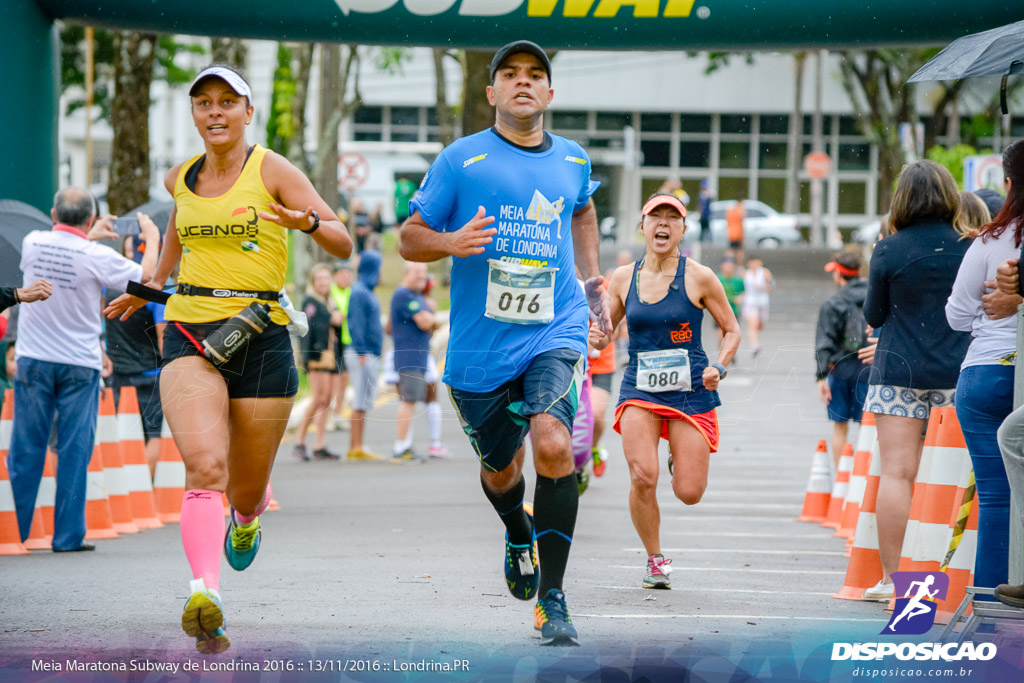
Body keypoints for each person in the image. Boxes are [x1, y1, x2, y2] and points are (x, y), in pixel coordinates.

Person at [104, 64, 351, 653]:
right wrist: (149, 287)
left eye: (226, 103)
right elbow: (179, 235)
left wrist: (307, 223)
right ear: (194, 115)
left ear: (247, 112)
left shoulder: (272, 169)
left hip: (261, 334)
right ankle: (204, 593)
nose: (214, 113)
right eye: (203, 103)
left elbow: (342, 239)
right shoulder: (179, 178)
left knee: (243, 490)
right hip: (190, 330)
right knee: (205, 470)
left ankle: (245, 519)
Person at [397, 39, 610, 646]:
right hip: (479, 348)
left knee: (552, 443)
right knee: (499, 469)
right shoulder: (460, 161)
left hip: (555, 327)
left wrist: (592, 283)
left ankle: (554, 598)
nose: (523, 83)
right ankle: (519, 528)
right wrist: (451, 241)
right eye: (510, 75)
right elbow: (410, 237)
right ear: (491, 93)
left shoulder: (571, 160)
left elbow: (584, 211)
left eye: (535, 75)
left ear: (549, 92)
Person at [592, 192, 740, 590]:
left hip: (690, 388)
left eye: (671, 218)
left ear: (683, 229)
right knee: (643, 474)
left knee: (689, 492)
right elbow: (604, 336)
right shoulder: (623, 278)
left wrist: (719, 366)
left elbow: (731, 329)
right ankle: (655, 559)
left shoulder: (700, 276)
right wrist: (595, 335)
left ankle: (679, 453)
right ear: (642, 227)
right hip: (640, 386)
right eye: (654, 216)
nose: (663, 224)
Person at [9, 187, 159, 555]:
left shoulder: (33, 242)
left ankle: (14, 529)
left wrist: (86, 233)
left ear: (52, 213)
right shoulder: (97, 256)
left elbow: (65, 245)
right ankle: (67, 536)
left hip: (33, 359)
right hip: (79, 364)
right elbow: (147, 278)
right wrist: (152, 239)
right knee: (76, 449)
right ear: (91, 220)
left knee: (26, 448)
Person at [860, 159, 971, 602]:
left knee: (898, 474)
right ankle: (952, 580)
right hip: (959, 371)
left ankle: (896, 583)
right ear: (949, 196)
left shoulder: (889, 250)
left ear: (902, 198)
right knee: (956, 476)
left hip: (898, 374)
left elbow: (874, 315)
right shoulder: (970, 245)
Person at [948, 140, 1023, 603]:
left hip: (987, 372)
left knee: (997, 496)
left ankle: (992, 606)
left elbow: (957, 314)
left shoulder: (993, 240)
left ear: (1010, 184)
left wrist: (987, 314)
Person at [105, 232, 169, 477]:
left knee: (123, 431)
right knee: (155, 434)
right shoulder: (158, 293)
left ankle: (125, 487)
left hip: (118, 373)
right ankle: (141, 485)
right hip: (151, 374)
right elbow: (163, 335)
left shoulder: (109, 287)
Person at [815, 252, 870, 469]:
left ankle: (841, 476)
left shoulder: (834, 303)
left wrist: (820, 376)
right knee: (869, 426)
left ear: (839, 274)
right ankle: (866, 475)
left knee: (840, 426)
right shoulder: (874, 296)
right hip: (870, 367)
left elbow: (824, 341)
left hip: (840, 368)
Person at [389, 262, 437, 462]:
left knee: (412, 401)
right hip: (408, 357)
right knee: (407, 401)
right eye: (417, 272)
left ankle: (405, 444)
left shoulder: (416, 296)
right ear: (406, 273)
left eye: (424, 273)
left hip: (418, 357)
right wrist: (432, 318)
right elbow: (424, 321)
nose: (422, 276)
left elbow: (428, 319)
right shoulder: (404, 295)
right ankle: (401, 446)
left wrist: (430, 317)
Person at [294, 264, 341, 461]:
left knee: (327, 399)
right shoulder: (310, 302)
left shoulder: (329, 300)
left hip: (331, 354)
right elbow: (308, 329)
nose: (324, 282)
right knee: (318, 397)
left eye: (326, 278)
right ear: (314, 281)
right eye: (320, 279)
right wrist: (306, 359)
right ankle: (300, 441)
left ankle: (319, 444)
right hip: (315, 355)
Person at [345, 250, 384, 461]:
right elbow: (356, 323)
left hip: (369, 352)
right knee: (359, 402)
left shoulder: (366, 290)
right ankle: (355, 446)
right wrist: (361, 351)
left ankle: (358, 445)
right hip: (362, 353)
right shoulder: (359, 292)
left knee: (364, 402)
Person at [328, 260, 353, 430]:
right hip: (333, 340)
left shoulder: (353, 292)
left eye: (347, 274)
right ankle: (329, 415)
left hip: (348, 340)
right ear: (335, 276)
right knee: (334, 379)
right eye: (341, 274)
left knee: (344, 378)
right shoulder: (330, 292)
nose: (345, 278)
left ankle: (338, 414)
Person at [742, 256, 772, 358]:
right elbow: (743, 288)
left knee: (760, 325)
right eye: (752, 262)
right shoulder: (746, 273)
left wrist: (761, 286)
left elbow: (770, 286)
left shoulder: (764, 272)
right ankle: (754, 346)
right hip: (750, 302)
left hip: (762, 302)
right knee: (752, 325)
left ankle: (755, 343)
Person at [716, 258, 744, 349]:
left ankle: (730, 352)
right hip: (719, 311)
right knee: (720, 334)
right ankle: (722, 352)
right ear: (722, 266)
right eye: (726, 266)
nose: (728, 268)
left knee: (732, 334)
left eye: (730, 266)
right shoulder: (716, 278)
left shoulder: (738, 280)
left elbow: (743, 293)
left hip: (733, 311)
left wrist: (740, 298)